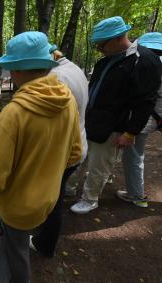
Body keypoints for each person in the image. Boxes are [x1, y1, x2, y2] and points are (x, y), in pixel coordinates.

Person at [0, 31, 82, 283]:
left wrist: (1, 200)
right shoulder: (67, 100)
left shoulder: (12, 115)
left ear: (16, 71)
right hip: (47, 201)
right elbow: (75, 153)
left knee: (14, 254)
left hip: (17, 208)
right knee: (10, 246)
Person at [70, 16, 161, 214]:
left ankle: (90, 199)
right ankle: (69, 188)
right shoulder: (107, 60)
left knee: (99, 164)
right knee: (81, 155)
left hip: (113, 124)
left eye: (101, 45)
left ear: (118, 38)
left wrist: (130, 132)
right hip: (93, 120)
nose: (99, 49)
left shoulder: (144, 61)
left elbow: (145, 101)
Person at [29, 45, 89, 257]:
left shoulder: (56, 79)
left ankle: (45, 243)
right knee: (56, 193)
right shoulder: (74, 68)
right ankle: (44, 233)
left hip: (65, 150)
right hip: (77, 144)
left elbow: (49, 125)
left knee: (53, 199)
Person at [117, 32, 162, 208]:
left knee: (134, 157)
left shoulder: (146, 63)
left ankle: (136, 195)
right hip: (156, 116)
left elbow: (142, 98)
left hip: (147, 117)